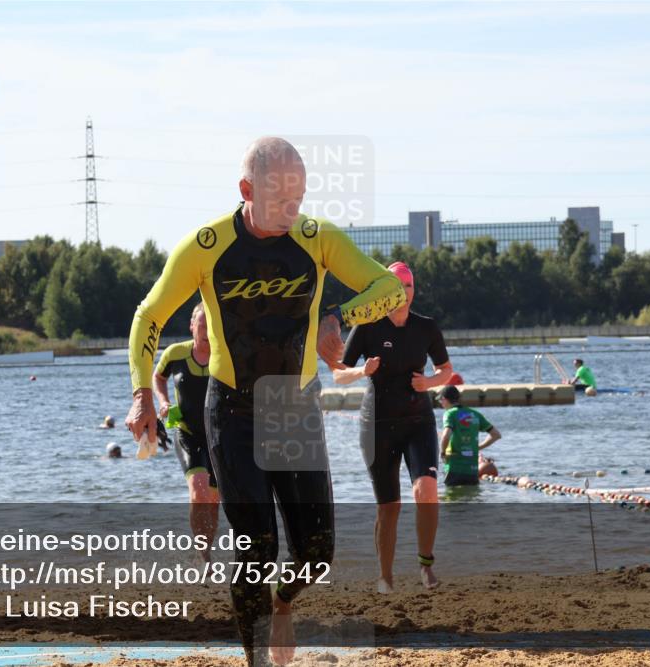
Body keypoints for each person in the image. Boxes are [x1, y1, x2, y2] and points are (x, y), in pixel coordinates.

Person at [124, 137, 406, 667]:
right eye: (280, 200)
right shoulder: (206, 246)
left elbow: (388, 289)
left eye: (299, 198)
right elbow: (149, 315)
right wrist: (143, 392)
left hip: (294, 411)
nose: (292, 211)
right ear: (247, 190)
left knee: (316, 553)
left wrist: (338, 317)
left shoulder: (316, 239)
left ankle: (282, 603)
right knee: (256, 547)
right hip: (232, 412)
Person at [333, 261, 453, 593]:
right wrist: (362, 371)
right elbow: (338, 373)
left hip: (418, 421)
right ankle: (385, 577)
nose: (403, 292)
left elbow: (446, 370)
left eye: (408, 286)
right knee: (389, 507)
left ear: (414, 291)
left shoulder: (426, 327)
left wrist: (429, 383)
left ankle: (426, 566)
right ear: (384, 291)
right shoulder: (367, 326)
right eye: (397, 286)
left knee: (426, 491)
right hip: (377, 426)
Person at [153, 303, 218, 562]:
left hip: (219, 435)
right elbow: (158, 377)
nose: (206, 331)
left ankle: (207, 546)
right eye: (202, 325)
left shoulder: (224, 355)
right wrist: (164, 402)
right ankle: (204, 554)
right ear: (192, 326)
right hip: (186, 431)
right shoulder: (175, 353)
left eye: (211, 326)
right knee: (198, 491)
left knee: (213, 499)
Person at [437, 385, 502, 486]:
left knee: (452, 495)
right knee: (472, 494)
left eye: (440, 400)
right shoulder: (475, 414)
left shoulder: (449, 414)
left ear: (444, 399)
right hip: (472, 470)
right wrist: (478, 447)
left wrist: (442, 453)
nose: (440, 403)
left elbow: (446, 435)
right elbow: (496, 435)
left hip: (454, 468)